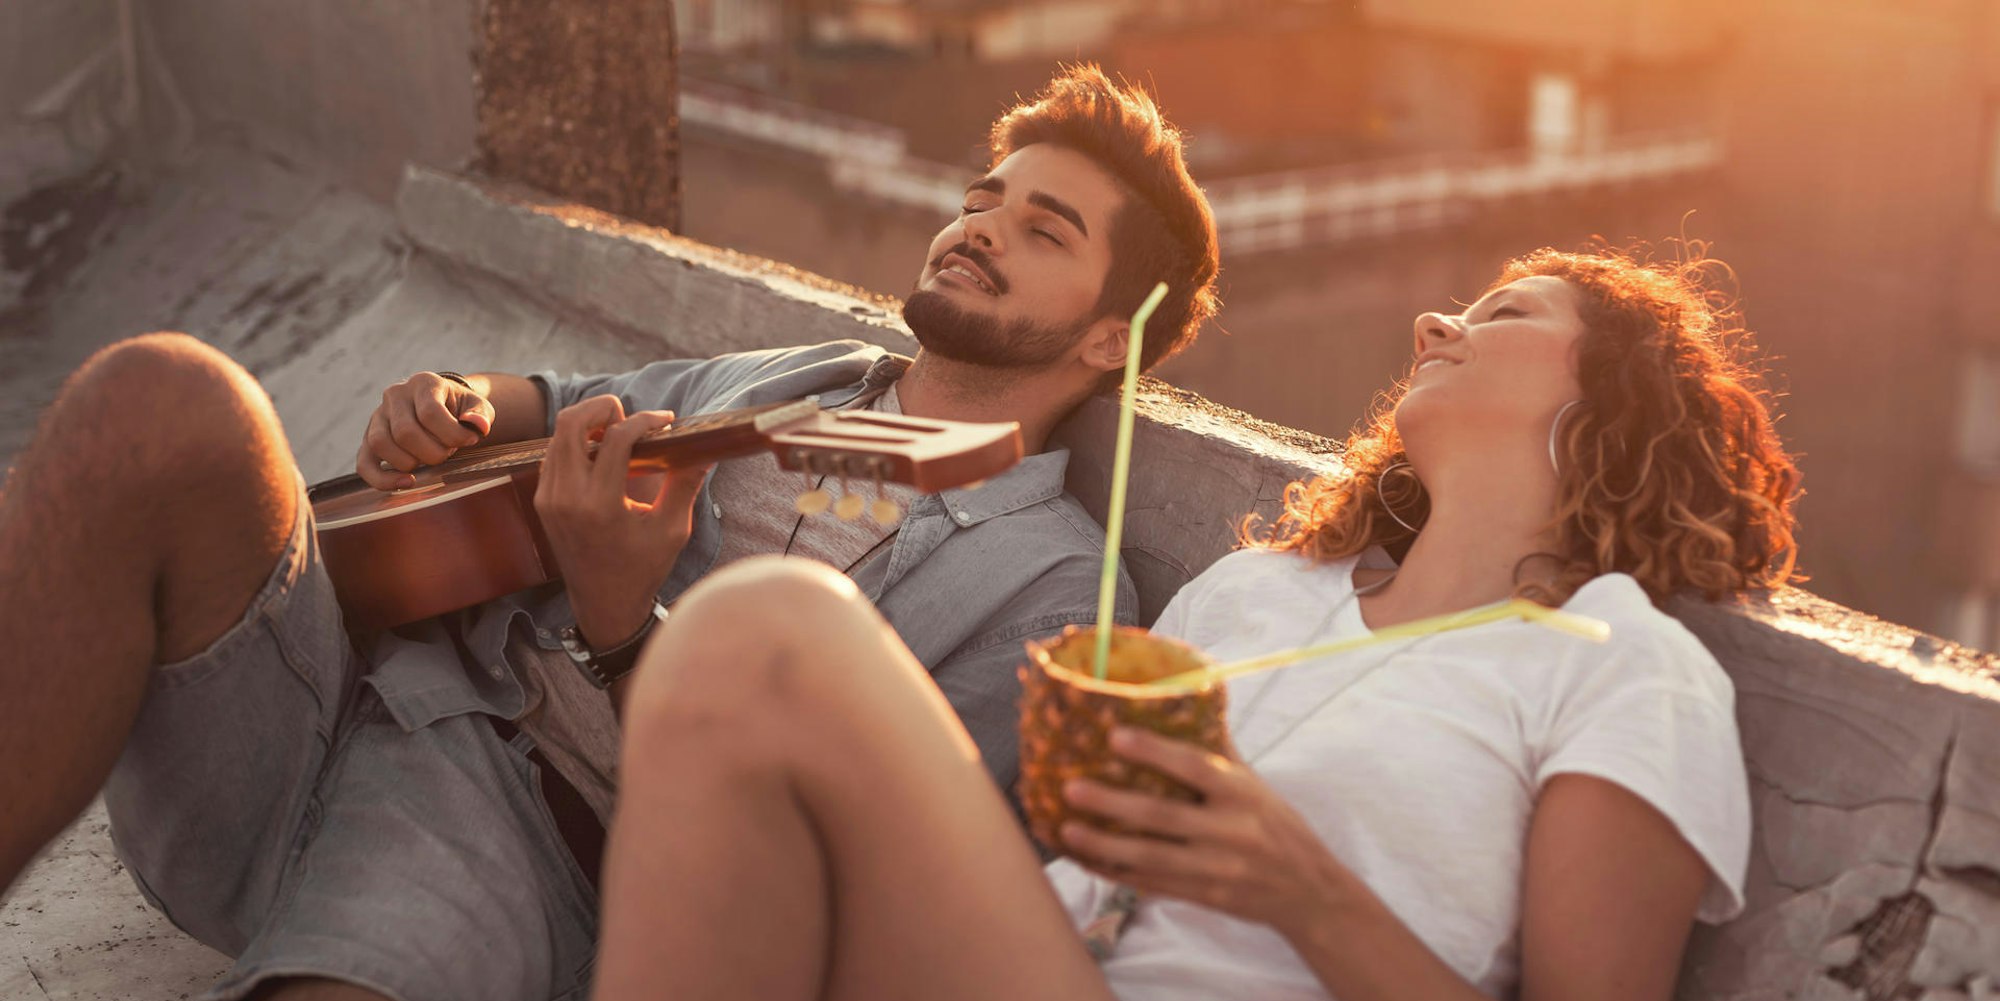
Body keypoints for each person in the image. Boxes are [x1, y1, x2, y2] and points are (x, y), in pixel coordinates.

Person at [0, 65, 1219, 1001]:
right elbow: (569, 389)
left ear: (1111, 336)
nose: (981, 227)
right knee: (163, 396)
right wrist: (455, 401)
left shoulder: (1055, 595)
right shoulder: (816, 372)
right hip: (351, 688)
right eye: (981, 199)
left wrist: (623, 622)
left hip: (530, 827)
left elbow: (841, 891)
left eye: (1043, 229)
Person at [589, 247, 1801, 1000]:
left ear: (1605, 410)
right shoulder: (1255, 592)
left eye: (1502, 314)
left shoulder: (1622, 663)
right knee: (748, 646)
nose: (1435, 326)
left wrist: (1299, 889)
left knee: (771, 628)